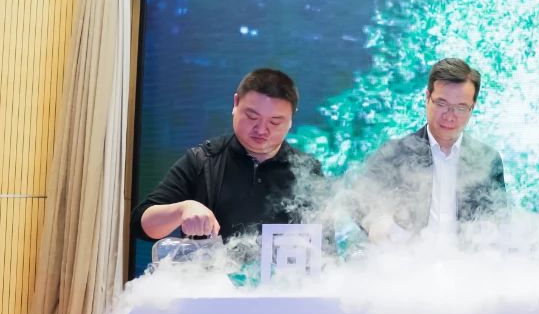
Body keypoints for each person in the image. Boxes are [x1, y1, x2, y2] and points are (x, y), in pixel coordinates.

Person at [132, 68, 323, 241]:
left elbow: (325, 247)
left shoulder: (307, 170)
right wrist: (181, 209)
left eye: (275, 122)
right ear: (235, 103)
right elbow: (140, 224)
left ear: (291, 119)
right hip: (208, 269)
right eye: (252, 116)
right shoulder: (204, 160)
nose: (261, 130)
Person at [356, 58, 507, 244]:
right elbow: (358, 201)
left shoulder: (488, 159)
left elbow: (499, 214)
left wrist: (492, 228)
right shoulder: (393, 153)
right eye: (441, 104)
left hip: (467, 259)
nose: (450, 116)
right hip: (405, 258)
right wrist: (377, 221)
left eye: (460, 107)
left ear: (472, 108)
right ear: (427, 98)